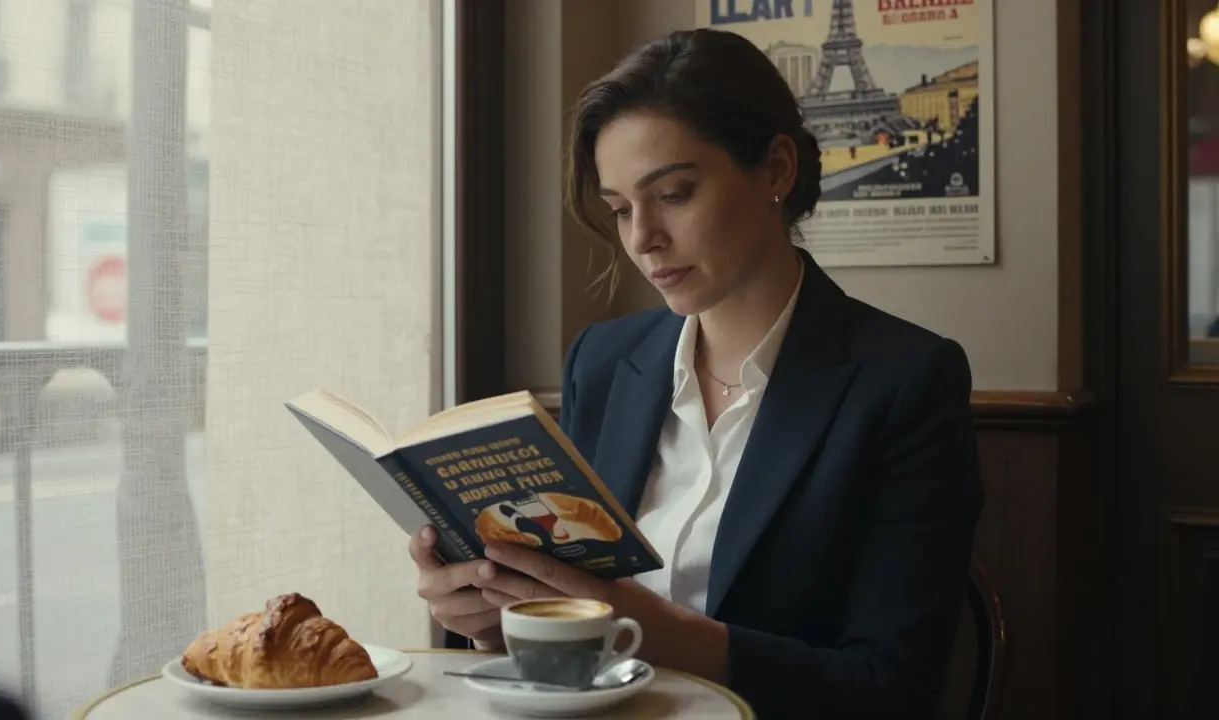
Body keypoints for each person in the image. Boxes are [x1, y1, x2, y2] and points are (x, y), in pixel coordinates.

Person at [410, 28, 983, 718]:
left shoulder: (905, 383)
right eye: (621, 208)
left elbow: (891, 692)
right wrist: (494, 622)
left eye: (674, 193)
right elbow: (567, 648)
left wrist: (663, 634)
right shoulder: (603, 362)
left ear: (776, 169)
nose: (642, 238)